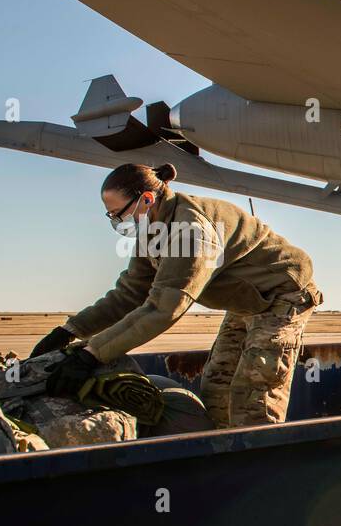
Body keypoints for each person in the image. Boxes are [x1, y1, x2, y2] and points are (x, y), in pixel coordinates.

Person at [31, 163, 322, 427]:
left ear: (146, 199)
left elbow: (163, 308)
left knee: (253, 395)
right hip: (246, 301)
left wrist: (92, 354)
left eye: (119, 214)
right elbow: (130, 292)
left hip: (282, 296)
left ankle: (261, 469)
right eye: (110, 216)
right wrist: (71, 329)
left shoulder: (191, 230)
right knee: (217, 387)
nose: (117, 222)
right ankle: (222, 460)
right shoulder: (153, 229)